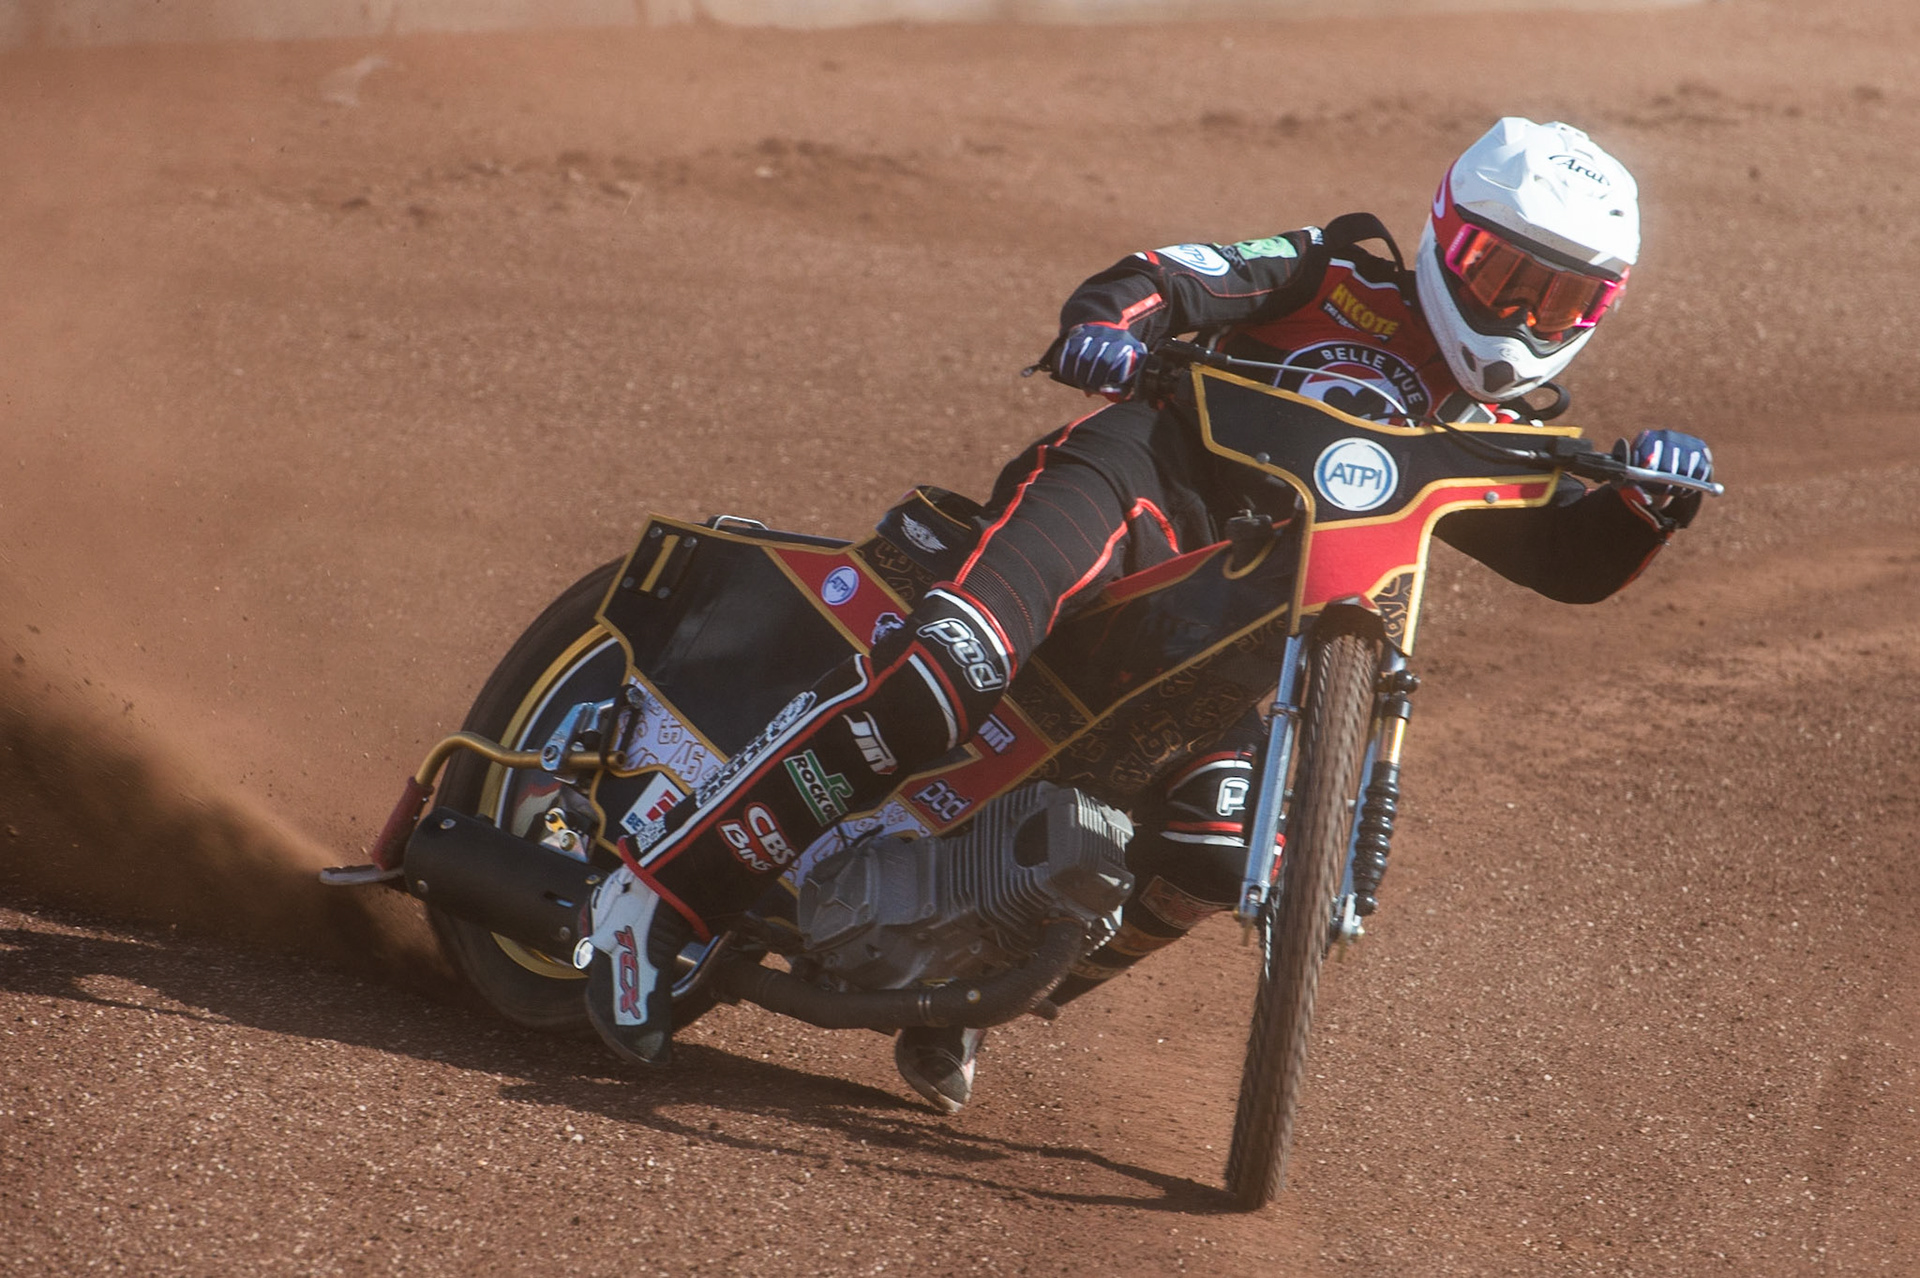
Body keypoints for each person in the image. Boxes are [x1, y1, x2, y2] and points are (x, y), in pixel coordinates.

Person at [580, 117, 1715, 1113]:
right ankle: (665, 895)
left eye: (1561, 298)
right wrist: (1108, 329)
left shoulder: (1495, 440)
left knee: (1222, 849)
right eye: (1503, 273)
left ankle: (965, 985)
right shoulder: (1330, 271)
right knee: (941, 677)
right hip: (1132, 487)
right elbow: (1162, 277)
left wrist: (1646, 505)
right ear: (1443, 232)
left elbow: (1570, 561)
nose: (1524, 314)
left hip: (1245, 644)